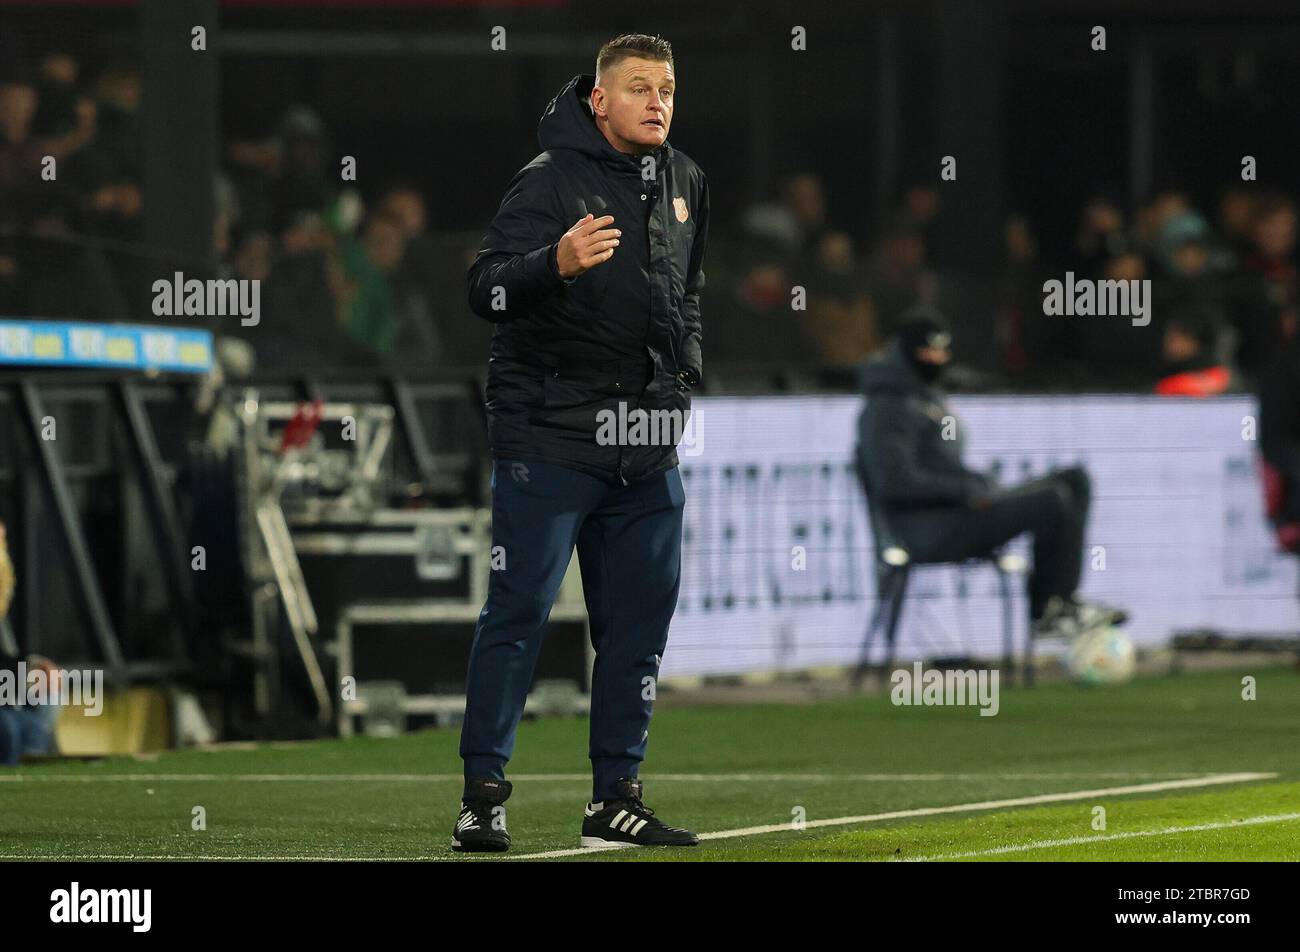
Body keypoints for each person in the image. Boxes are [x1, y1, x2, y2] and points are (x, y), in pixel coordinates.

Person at [455, 34, 707, 852]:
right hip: (553, 439)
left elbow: (689, 291)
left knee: (638, 627)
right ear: (598, 100)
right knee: (519, 612)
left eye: (666, 88)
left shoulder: (686, 181)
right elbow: (484, 289)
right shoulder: (548, 180)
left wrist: (684, 379)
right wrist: (552, 264)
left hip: (647, 446)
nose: (657, 101)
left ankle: (616, 799)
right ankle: (482, 797)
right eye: (638, 87)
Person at [855, 308, 1126, 640]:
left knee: (1073, 480)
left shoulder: (925, 398)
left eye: (942, 350)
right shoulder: (887, 407)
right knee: (1051, 501)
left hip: (958, 513)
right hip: (928, 530)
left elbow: (939, 467)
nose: (938, 359)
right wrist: (964, 489)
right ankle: (1046, 610)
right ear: (908, 353)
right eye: (929, 351)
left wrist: (973, 483)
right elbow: (894, 482)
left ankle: (1063, 602)